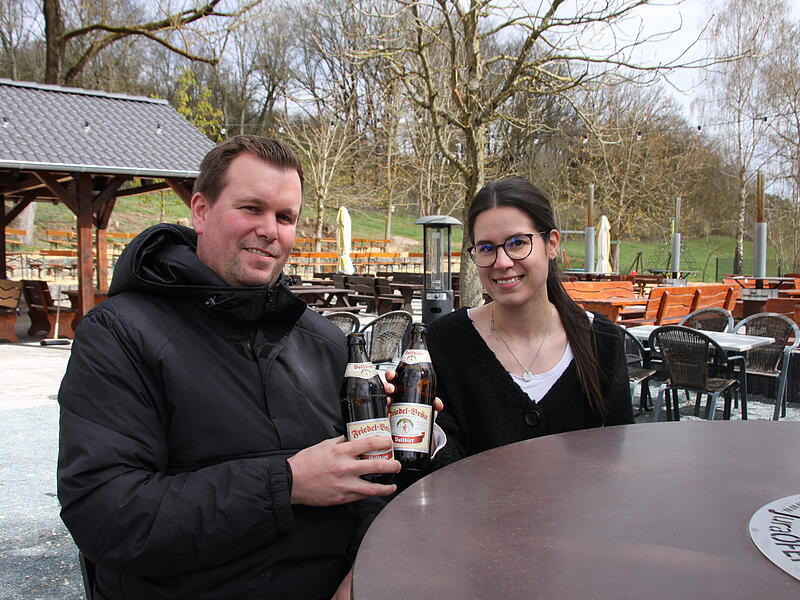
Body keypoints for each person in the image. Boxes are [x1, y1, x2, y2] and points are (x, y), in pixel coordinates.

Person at [57, 135, 401, 600]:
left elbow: (373, 485)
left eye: (285, 218)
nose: (270, 230)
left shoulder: (324, 342)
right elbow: (106, 514)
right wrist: (288, 483)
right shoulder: (119, 334)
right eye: (252, 209)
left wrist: (360, 575)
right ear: (200, 210)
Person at [426, 176, 634, 469]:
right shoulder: (443, 342)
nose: (502, 262)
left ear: (552, 244)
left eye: (517, 243)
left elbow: (617, 461)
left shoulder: (602, 341)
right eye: (486, 248)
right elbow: (434, 467)